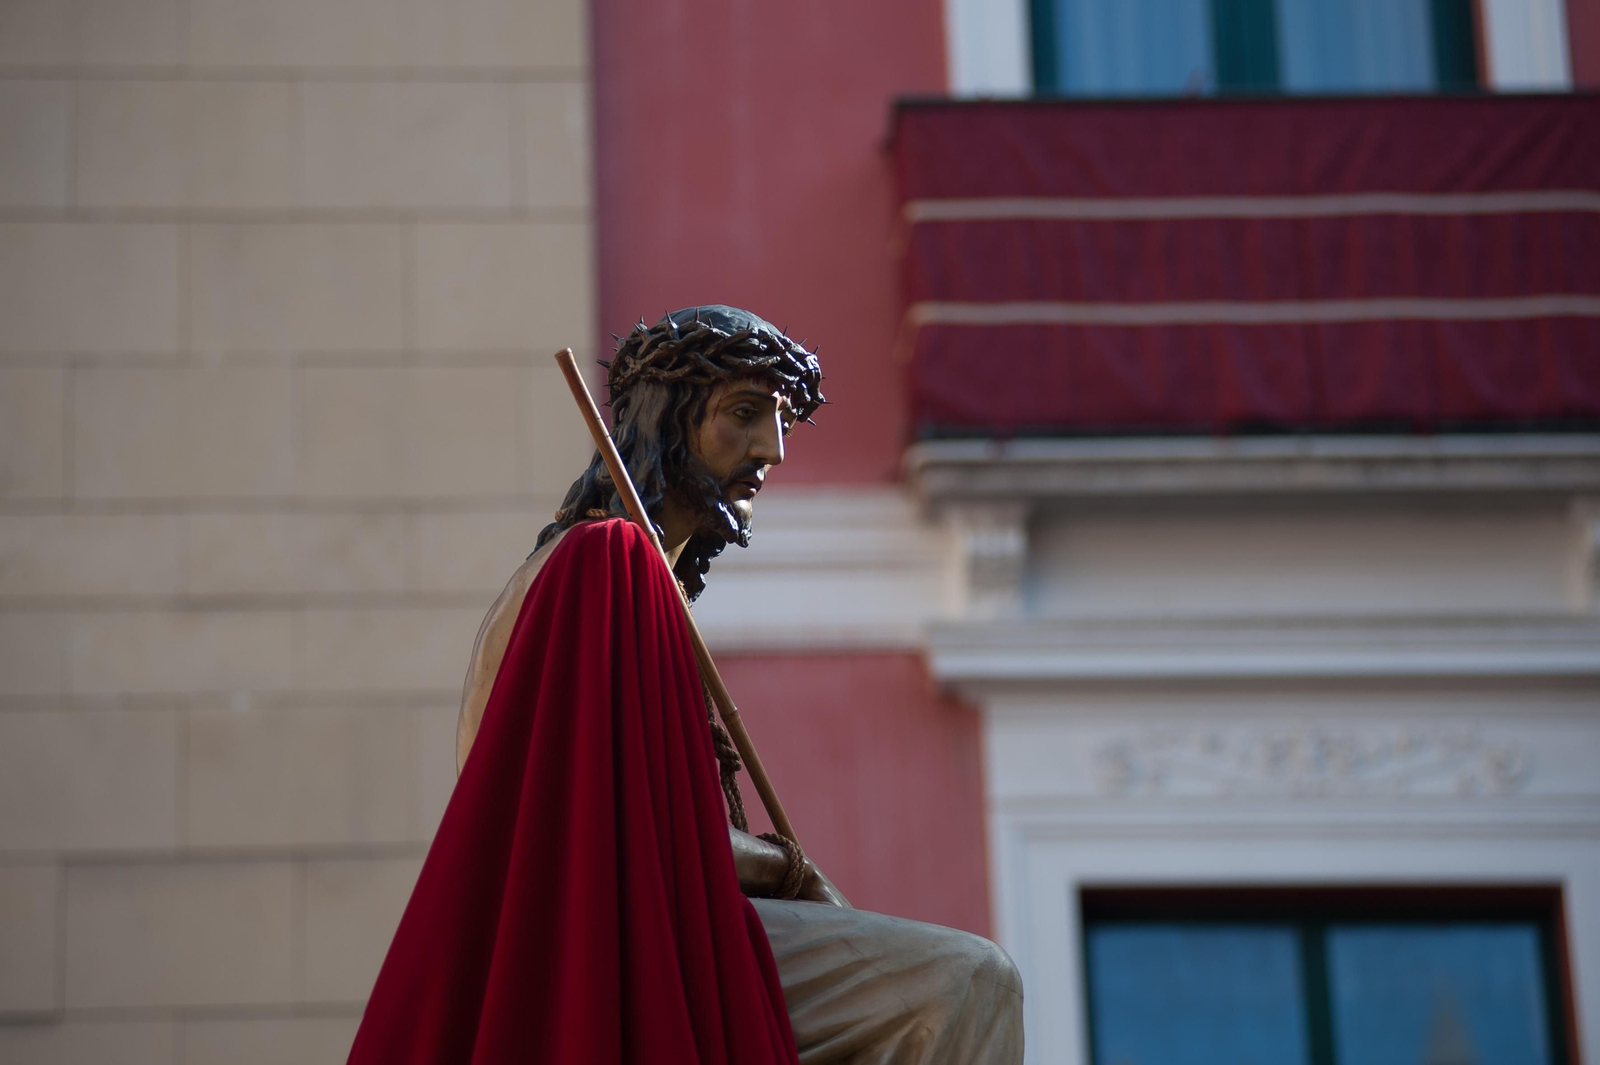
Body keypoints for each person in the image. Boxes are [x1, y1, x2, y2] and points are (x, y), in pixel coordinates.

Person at [348, 306, 1022, 1065]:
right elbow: (637, 822)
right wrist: (792, 869)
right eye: (743, 414)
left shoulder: (591, 571)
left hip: (623, 912)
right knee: (967, 978)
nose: (770, 449)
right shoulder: (607, 562)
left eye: (780, 422)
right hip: (629, 927)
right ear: (668, 419)